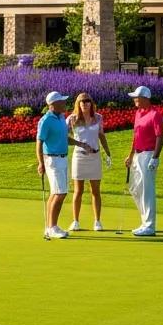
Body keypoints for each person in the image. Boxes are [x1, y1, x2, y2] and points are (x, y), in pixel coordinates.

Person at [36, 91, 94, 239]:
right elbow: (39, 142)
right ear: (53, 105)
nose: (64, 103)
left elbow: (64, 138)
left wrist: (80, 144)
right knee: (60, 193)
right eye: (61, 102)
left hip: (62, 159)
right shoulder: (46, 120)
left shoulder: (61, 118)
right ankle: (53, 227)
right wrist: (40, 163)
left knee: (55, 193)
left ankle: (50, 226)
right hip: (52, 160)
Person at [66, 92, 111, 231]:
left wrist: (108, 153)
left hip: (95, 157)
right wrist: (80, 144)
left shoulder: (98, 118)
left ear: (91, 103)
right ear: (78, 104)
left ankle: (97, 221)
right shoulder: (72, 119)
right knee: (78, 191)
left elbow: (101, 136)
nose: (85, 103)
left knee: (95, 191)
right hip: (79, 157)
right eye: (82, 101)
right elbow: (64, 137)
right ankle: (75, 221)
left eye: (87, 101)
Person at [124, 85, 163, 237]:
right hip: (137, 155)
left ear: (145, 98)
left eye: (137, 97)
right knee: (135, 189)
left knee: (147, 191)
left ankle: (149, 225)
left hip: (148, 155)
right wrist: (130, 155)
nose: (134, 99)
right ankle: (144, 222)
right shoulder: (138, 113)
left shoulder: (155, 115)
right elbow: (135, 137)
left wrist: (155, 157)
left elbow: (160, 137)